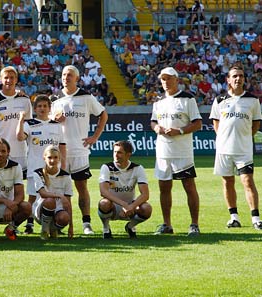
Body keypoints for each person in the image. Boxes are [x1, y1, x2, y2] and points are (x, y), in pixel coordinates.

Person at [51, 65, 108, 235]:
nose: (65, 78)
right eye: (63, 75)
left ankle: (86, 223)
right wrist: (54, 120)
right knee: (58, 189)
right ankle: (60, 223)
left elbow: (103, 115)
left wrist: (95, 137)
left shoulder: (86, 97)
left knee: (81, 187)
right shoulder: (54, 98)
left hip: (79, 151)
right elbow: (47, 121)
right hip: (59, 152)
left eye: (69, 75)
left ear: (76, 78)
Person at [151, 67, 202, 236]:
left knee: (189, 186)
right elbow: (152, 122)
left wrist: (179, 131)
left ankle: (194, 224)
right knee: (164, 187)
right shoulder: (158, 101)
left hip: (182, 151)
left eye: (168, 78)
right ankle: (167, 224)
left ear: (176, 79)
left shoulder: (187, 99)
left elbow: (197, 123)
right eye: (163, 79)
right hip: (163, 151)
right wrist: (157, 127)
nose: (165, 82)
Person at [210, 66, 262, 230]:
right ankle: (234, 217)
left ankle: (255, 218)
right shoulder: (219, 100)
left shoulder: (253, 101)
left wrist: (244, 138)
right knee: (227, 182)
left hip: (243, 150)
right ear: (228, 79)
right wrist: (225, 140)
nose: (238, 79)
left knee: (247, 181)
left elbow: (255, 124)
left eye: (240, 76)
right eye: (234, 76)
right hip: (224, 150)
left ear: (244, 79)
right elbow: (216, 125)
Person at [16, 95, 66, 234]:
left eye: (45, 106)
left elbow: (62, 146)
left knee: (54, 196)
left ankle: (54, 225)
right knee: (32, 196)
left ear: (50, 108)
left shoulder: (56, 126)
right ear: (35, 109)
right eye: (39, 106)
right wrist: (21, 120)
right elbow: (20, 137)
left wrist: (63, 165)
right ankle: (29, 224)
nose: (42, 109)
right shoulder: (29, 124)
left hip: (53, 169)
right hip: (35, 168)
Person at [98, 141, 151, 239]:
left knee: (147, 208)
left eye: (119, 153)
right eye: (114, 152)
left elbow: (145, 194)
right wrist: (124, 204)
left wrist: (131, 206)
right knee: (104, 203)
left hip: (130, 207)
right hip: (113, 206)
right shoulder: (106, 167)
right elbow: (103, 192)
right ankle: (106, 228)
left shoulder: (137, 168)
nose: (116, 155)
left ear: (128, 155)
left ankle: (130, 227)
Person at [31, 145, 73, 240]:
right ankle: (45, 231)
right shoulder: (38, 173)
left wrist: (71, 226)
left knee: (64, 218)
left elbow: (68, 203)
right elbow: (43, 193)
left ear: (59, 159)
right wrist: (60, 196)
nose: (52, 160)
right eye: (49, 157)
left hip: (58, 211)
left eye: (55, 157)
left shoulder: (66, 176)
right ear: (44, 158)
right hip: (40, 211)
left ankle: (53, 229)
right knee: (50, 200)